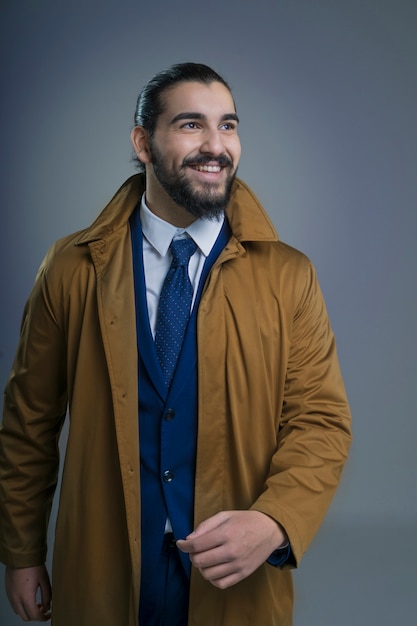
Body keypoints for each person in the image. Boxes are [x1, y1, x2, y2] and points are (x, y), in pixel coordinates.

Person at [0, 62, 351, 626]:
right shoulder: (70, 269)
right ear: (143, 142)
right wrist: (20, 554)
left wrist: (275, 521)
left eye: (229, 125)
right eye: (192, 125)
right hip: (101, 570)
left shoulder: (290, 276)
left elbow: (321, 421)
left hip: (234, 583)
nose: (217, 146)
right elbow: (28, 423)